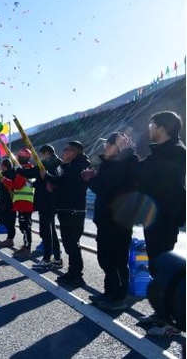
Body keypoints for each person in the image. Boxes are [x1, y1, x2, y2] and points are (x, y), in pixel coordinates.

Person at [129, 111, 186, 333]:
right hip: (154, 218)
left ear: (163, 128)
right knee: (156, 266)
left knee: (165, 270)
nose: (149, 128)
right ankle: (162, 313)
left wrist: (133, 158)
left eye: (152, 124)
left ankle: (173, 321)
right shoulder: (160, 152)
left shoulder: (177, 152)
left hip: (165, 218)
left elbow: (148, 175)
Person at [81, 132, 140, 311]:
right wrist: (94, 177)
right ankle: (109, 293)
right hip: (105, 219)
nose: (104, 146)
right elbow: (106, 184)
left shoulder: (126, 162)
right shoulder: (111, 164)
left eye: (107, 143)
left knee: (117, 260)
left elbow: (106, 186)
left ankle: (118, 297)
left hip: (119, 220)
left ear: (117, 147)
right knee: (106, 259)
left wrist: (90, 179)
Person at [41, 141, 91, 288]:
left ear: (73, 153)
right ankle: (72, 272)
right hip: (65, 209)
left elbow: (65, 181)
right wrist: (52, 185)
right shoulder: (65, 167)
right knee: (69, 243)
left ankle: (77, 275)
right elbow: (60, 183)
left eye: (66, 150)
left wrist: (47, 177)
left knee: (72, 243)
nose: (63, 152)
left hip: (74, 210)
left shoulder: (80, 166)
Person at [19, 144, 63, 269]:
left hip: (45, 200)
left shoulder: (46, 163)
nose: (40, 157)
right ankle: (57, 259)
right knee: (52, 230)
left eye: (41, 154)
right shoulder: (59, 163)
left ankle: (46, 259)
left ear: (46, 153)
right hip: (53, 200)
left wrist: (18, 170)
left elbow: (30, 173)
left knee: (46, 231)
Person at [1, 148, 35, 258]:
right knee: (25, 225)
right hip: (25, 202)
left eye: (20, 157)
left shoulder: (24, 170)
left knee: (25, 226)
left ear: (25, 157)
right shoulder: (30, 169)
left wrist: (5, 181)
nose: (18, 159)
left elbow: (18, 185)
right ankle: (26, 246)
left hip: (24, 202)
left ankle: (27, 247)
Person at [0, 158, 17, 248]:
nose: (1, 167)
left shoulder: (8, 174)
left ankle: (10, 239)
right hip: (8, 200)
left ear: (5, 166)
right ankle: (9, 238)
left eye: (2, 166)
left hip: (7, 201)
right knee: (9, 220)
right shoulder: (12, 173)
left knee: (9, 220)